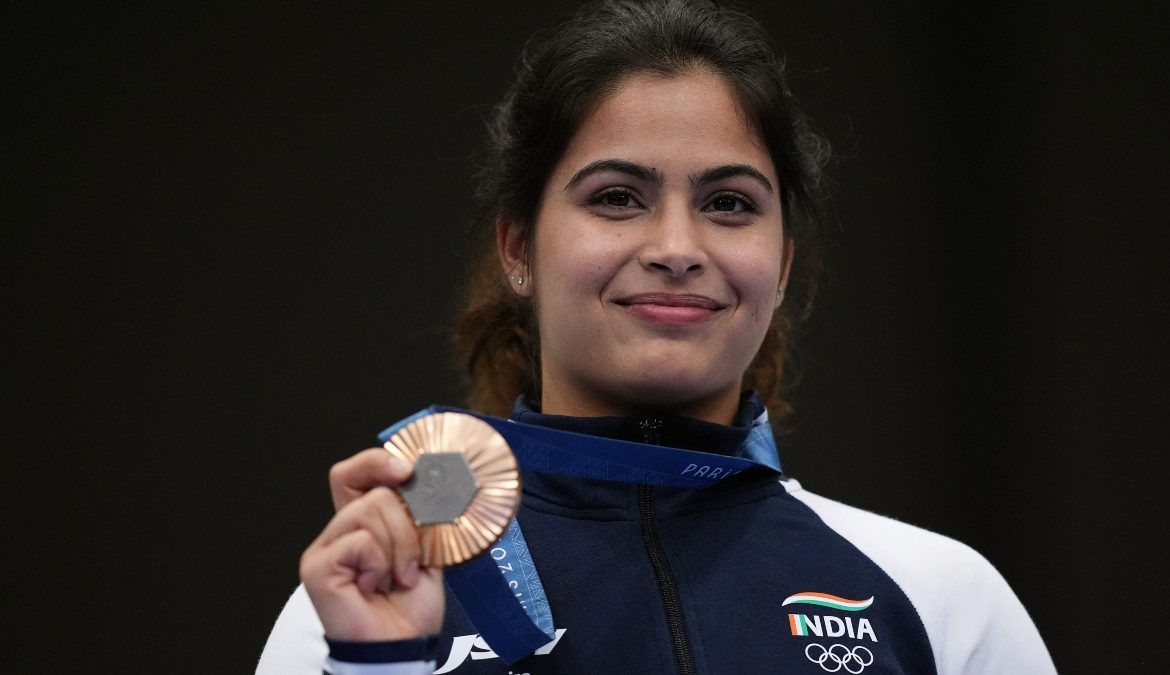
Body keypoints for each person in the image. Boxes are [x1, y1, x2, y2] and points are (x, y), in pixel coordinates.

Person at [259, 1, 1056, 673]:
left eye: (730, 204)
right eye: (615, 197)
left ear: (780, 265)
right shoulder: (362, 600)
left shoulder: (941, 597)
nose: (677, 247)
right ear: (517, 250)